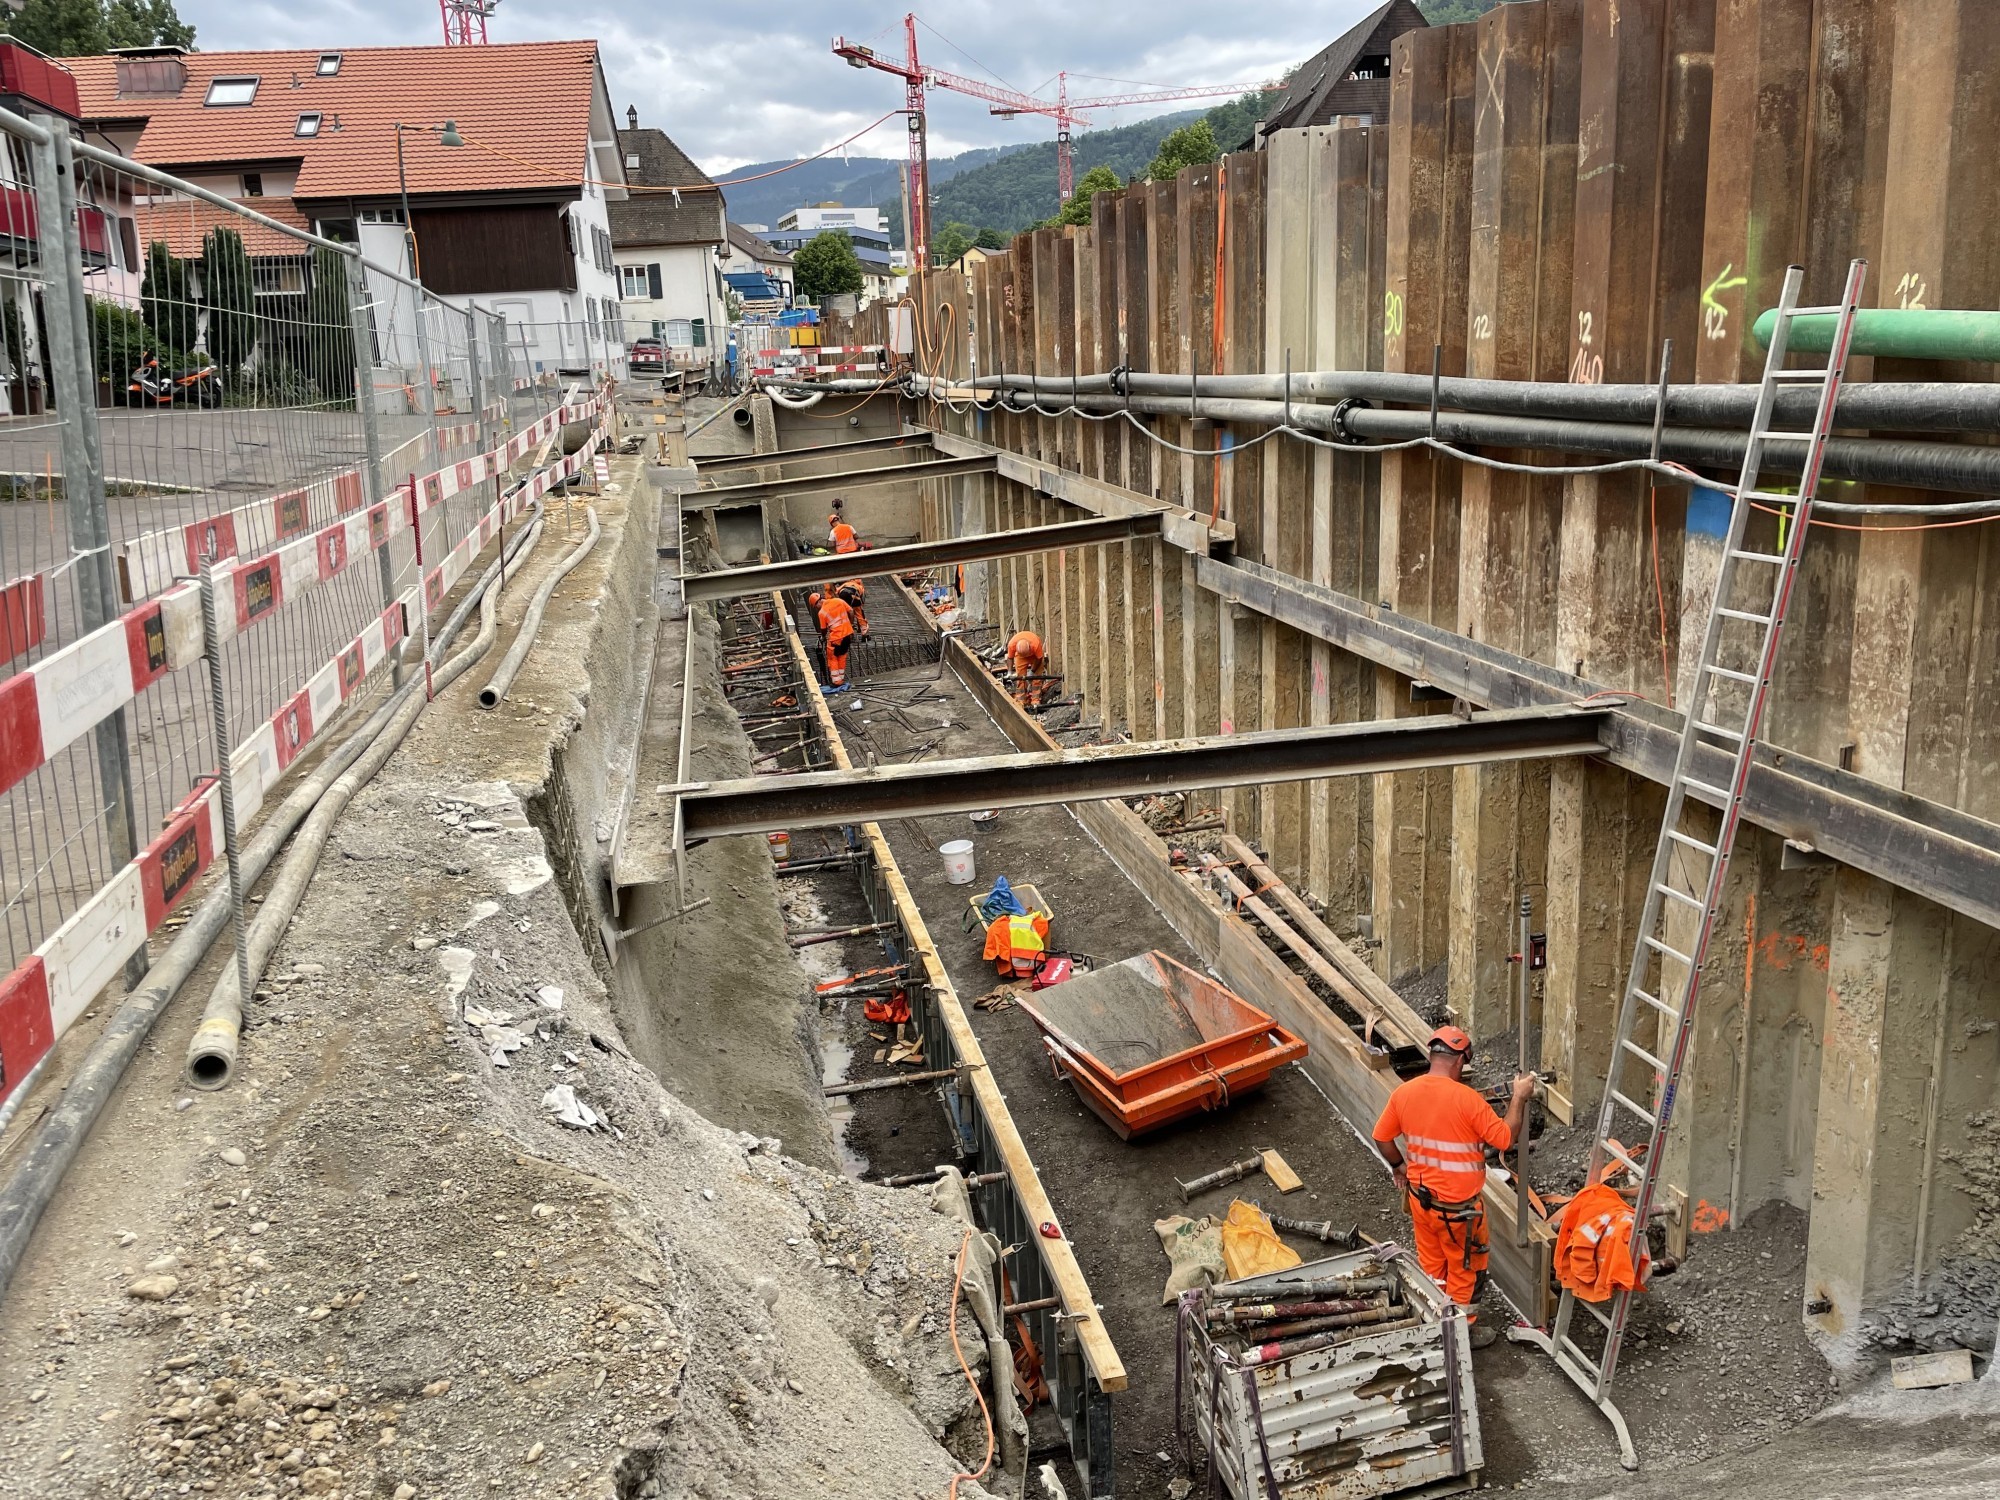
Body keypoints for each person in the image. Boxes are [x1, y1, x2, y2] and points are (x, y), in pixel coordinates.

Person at [1372, 1026, 1536, 1348]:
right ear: (1460, 1060)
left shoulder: (1404, 1093)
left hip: (1422, 1203)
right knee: (1467, 1273)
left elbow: (1382, 1137)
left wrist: (1399, 1167)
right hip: (1461, 1214)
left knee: (1433, 1266)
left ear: (1433, 1056)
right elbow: (1505, 1139)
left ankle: (1433, 1317)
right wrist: (1518, 1097)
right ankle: (1461, 1334)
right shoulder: (1467, 1100)